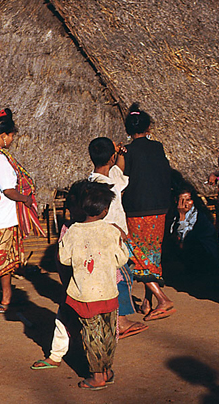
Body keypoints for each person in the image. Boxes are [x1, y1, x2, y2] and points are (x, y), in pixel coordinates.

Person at [59, 181, 129, 391]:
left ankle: (97, 376)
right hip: (108, 291)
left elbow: (64, 259)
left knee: (92, 334)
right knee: (108, 333)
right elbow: (121, 259)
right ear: (105, 210)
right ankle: (106, 371)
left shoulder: (73, 231)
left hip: (84, 294)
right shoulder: (111, 231)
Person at [0, 108, 44, 313]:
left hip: (6, 217)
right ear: (3, 136)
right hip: (1, 219)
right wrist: (26, 199)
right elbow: (8, 190)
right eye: (11, 134)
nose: (12, 138)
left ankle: (7, 297)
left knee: (7, 259)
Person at [87, 137, 148, 339]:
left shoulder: (96, 180)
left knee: (111, 280)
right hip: (111, 239)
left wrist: (120, 154)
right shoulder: (105, 187)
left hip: (102, 239)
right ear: (111, 157)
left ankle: (114, 319)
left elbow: (119, 170)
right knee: (121, 278)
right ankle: (121, 322)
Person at [122, 103, 175, 321]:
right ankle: (147, 302)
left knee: (137, 254)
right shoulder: (158, 147)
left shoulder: (128, 152)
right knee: (152, 253)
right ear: (148, 128)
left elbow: (122, 179)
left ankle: (163, 299)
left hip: (138, 209)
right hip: (160, 208)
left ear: (128, 130)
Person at [31, 180, 87, 371]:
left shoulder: (100, 230)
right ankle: (57, 355)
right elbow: (63, 260)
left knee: (88, 325)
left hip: (91, 289)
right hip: (75, 287)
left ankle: (97, 366)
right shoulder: (69, 230)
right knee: (65, 318)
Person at [166, 182, 219, 273]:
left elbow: (186, 237)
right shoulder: (173, 214)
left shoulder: (199, 216)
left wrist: (182, 215)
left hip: (204, 252)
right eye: (182, 200)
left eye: (188, 200)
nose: (185, 204)